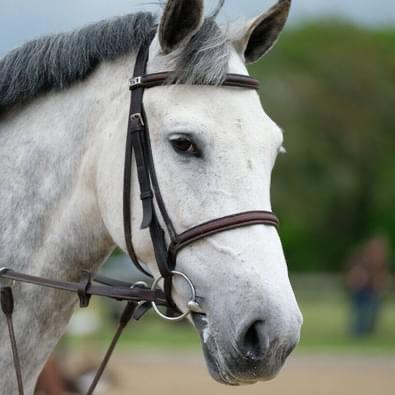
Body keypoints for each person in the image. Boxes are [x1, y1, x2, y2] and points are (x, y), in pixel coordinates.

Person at [345, 235, 392, 336]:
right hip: (359, 291)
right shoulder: (362, 260)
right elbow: (355, 276)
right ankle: (358, 330)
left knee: (373, 309)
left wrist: (380, 287)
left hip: (371, 292)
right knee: (360, 312)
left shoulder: (381, 262)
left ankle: (367, 329)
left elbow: (381, 279)